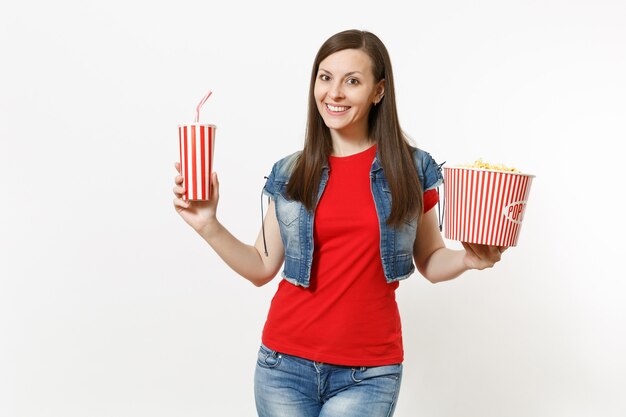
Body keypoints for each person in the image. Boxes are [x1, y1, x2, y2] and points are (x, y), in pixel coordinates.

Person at [172, 29, 506, 417]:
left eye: (352, 81)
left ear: (378, 91)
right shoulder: (291, 171)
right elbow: (261, 267)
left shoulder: (412, 170)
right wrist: (207, 224)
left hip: (369, 374)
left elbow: (430, 259)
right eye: (325, 77)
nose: (334, 93)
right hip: (284, 367)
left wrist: (467, 259)